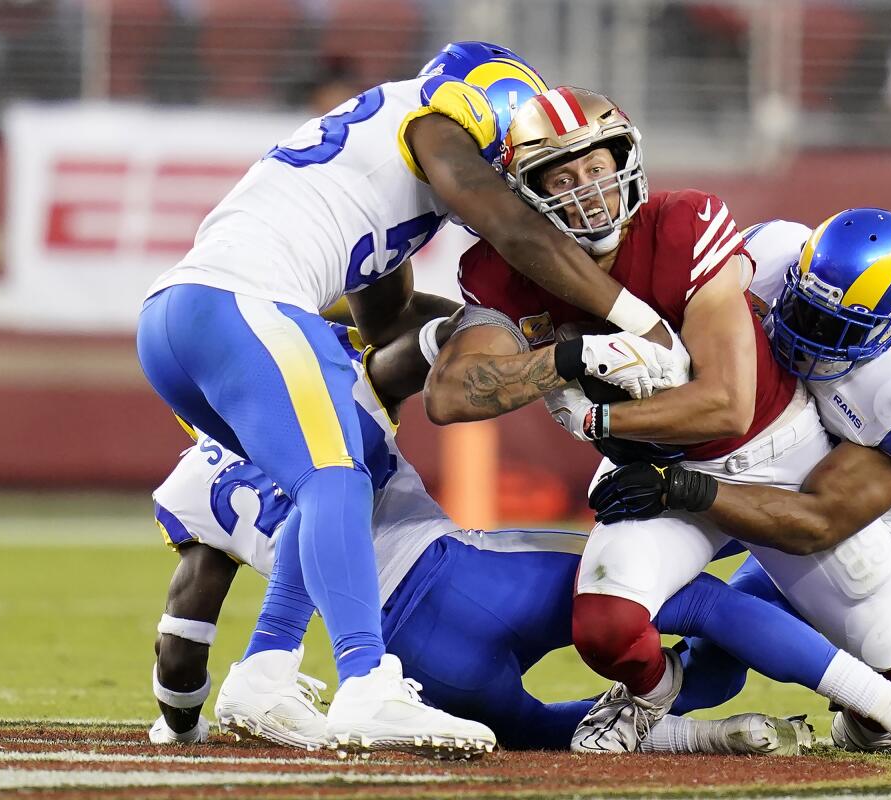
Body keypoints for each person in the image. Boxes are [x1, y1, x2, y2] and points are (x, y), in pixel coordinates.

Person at [135, 41, 688, 758]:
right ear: (491, 112)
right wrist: (640, 321)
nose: (522, 171)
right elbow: (513, 230)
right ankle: (367, 680)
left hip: (188, 319)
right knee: (335, 478)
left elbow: (386, 325)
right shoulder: (431, 124)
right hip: (245, 304)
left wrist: (504, 334)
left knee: (341, 465)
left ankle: (268, 669)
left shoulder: (385, 169)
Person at [424, 87, 891, 757]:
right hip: (664, 456)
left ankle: (877, 708)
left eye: (595, 170)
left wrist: (613, 434)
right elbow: (451, 400)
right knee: (609, 628)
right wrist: (568, 358)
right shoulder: (775, 255)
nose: (586, 192)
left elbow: (805, 495)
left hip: (792, 461)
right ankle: (654, 698)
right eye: (562, 176)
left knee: (889, 663)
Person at [149, 312, 891, 758]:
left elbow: (183, 635)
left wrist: (179, 725)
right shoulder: (332, 398)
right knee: (688, 598)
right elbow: (421, 350)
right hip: (461, 578)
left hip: (403, 663)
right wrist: (527, 337)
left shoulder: (191, 487)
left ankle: (696, 730)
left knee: (535, 735)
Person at [590, 209, 891, 756]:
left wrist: (680, 487)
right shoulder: (770, 251)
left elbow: (818, 520)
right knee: (611, 612)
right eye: (800, 303)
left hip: (828, 512)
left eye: (829, 326)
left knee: (873, 669)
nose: (799, 329)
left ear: (889, 329)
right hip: (719, 454)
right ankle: (613, 714)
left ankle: (869, 717)